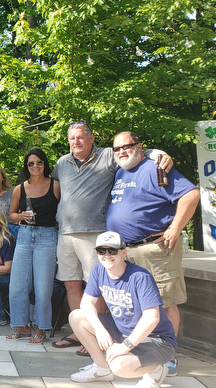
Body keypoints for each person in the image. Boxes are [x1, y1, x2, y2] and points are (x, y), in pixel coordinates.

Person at [51, 121, 172, 353]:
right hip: (65, 232)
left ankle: (101, 334)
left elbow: (134, 152)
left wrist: (161, 154)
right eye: (72, 138)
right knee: (71, 283)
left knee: (97, 285)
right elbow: (58, 193)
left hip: (94, 232)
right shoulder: (61, 163)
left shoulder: (107, 156)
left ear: (91, 138)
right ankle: (81, 332)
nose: (76, 142)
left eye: (80, 137)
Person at [106, 131, 198, 375]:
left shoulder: (155, 167)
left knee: (165, 302)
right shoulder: (120, 171)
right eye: (117, 149)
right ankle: (146, 349)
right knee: (139, 304)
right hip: (127, 252)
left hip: (154, 250)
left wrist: (176, 228)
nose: (122, 151)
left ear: (140, 146)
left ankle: (169, 356)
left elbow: (191, 194)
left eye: (127, 146)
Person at [69, 232, 176, 388]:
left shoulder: (140, 277)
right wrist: (100, 330)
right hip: (122, 330)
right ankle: (102, 369)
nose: (107, 255)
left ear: (123, 252)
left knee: (119, 366)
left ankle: (156, 370)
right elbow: (86, 303)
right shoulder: (99, 269)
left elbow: (152, 318)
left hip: (156, 340)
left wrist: (126, 346)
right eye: (101, 251)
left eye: (112, 251)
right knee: (77, 317)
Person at [6, 148, 60, 345]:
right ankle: (21, 325)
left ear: (45, 164)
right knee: (17, 285)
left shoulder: (55, 185)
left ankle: (41, 327)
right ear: (26, 167)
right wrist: (21, 217)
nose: (35, 166)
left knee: (43, 287)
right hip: (25, 235)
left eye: (39, 162)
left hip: (47, 235)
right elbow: (10, 214)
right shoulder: (20, 188)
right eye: (31, 163)